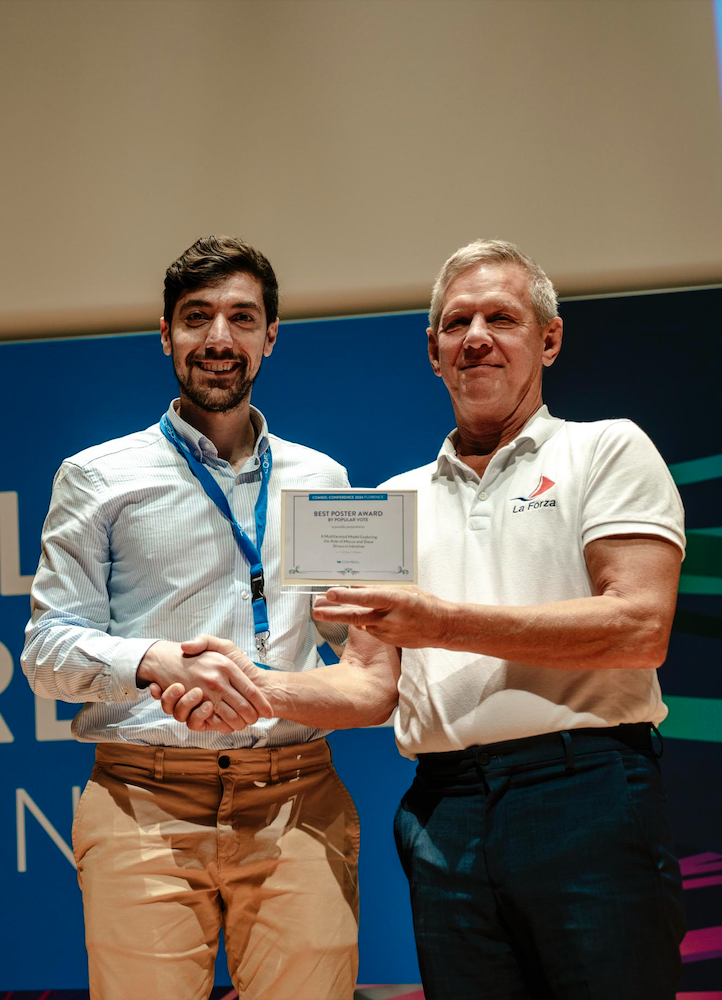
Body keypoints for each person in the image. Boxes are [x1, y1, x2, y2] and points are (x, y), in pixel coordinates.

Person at [168, 239, 687, 1000]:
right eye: (456, 323)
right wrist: (251, 686)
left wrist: (440, 623)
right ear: (433, 351)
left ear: (549, 339)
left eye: (501, 318)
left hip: (586, 789)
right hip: (443, 810)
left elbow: (639, 628)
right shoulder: (384, 502)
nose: (476, 337)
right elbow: (369, 684)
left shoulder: (607, 448)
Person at [21, 235, 396, 1000]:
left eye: (241, 317)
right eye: (196, 317)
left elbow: (370, 669)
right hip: (143, 798)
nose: (219, 338)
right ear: (165, 334)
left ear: (271, 336)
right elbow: (44, 651)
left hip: (296, 795)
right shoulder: (96, 476)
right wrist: (155, 661)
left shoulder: (326, 480)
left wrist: (269, 687)